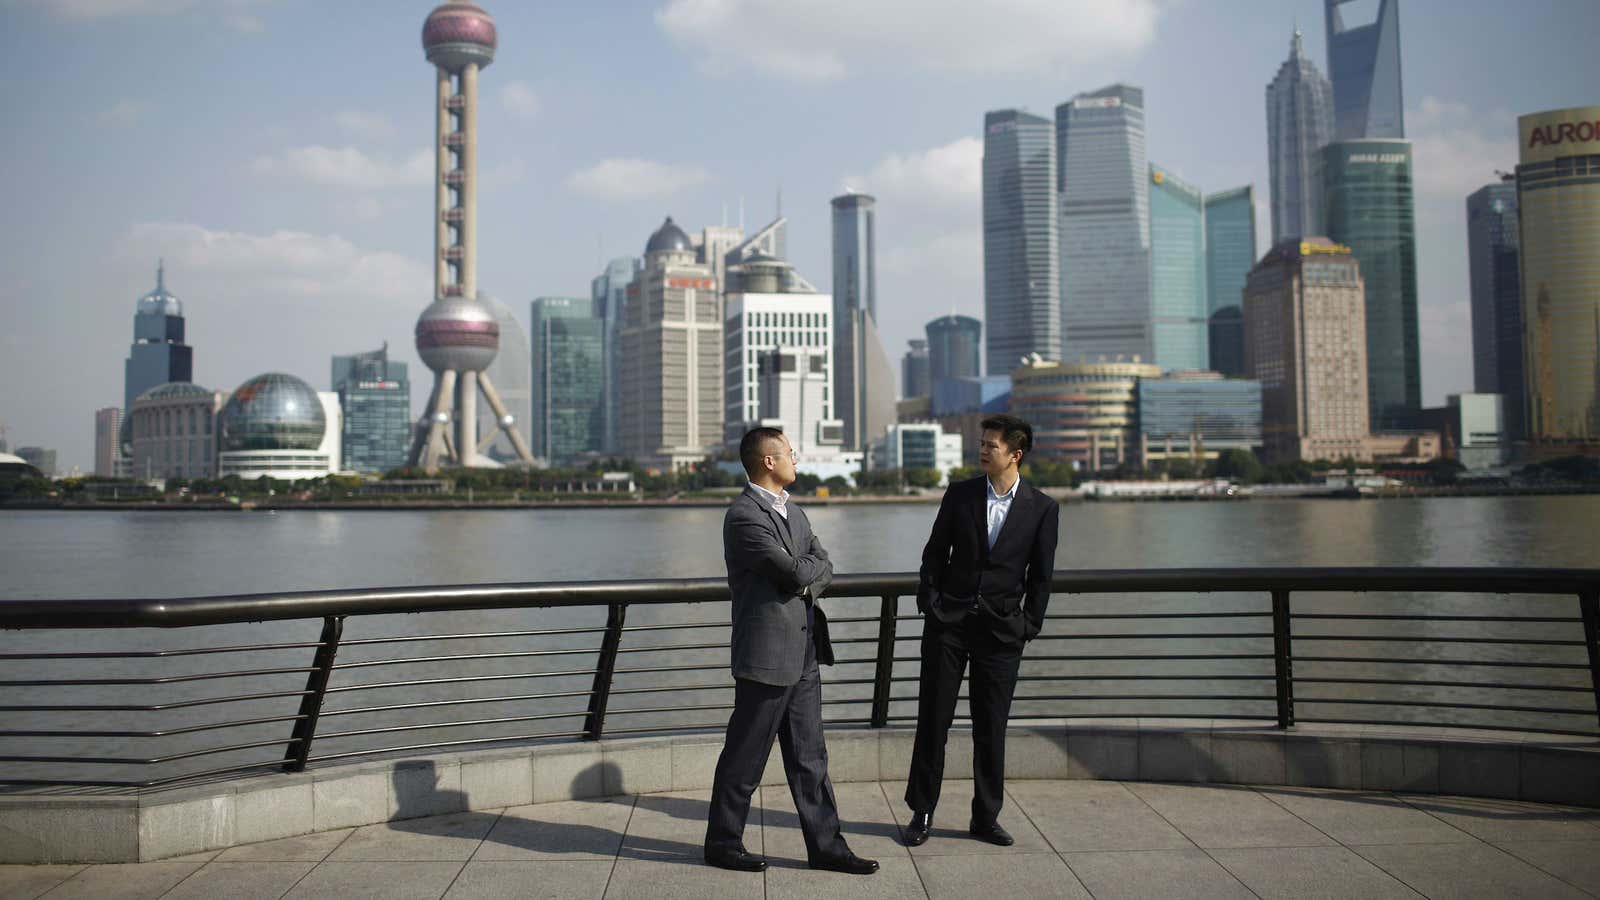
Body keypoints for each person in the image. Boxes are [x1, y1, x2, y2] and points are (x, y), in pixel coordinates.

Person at [704, 427, 879, 876]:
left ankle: (827, 848)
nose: (795, 460)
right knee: (745, 756)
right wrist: (808, 571)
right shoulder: (744, 516)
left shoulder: (793, 511)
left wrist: (808, 571)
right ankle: (723, 843)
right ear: (768, 460)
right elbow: (790, 573)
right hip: (765, 656)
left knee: (810, 758)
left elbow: (822, 564)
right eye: (790, 453)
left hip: (803, 651)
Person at [903, 414, 1060, 847]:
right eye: (983, 443)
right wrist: (930, 604)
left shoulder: (1043, 508)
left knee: (991, 727)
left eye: (992, 445)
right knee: (933, 720)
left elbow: (1041, 577)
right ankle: (922, 811)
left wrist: (1028, 625)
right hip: (948, 626)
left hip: (1002, 632)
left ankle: (985, 818)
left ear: (1016, 453)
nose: (983, 450)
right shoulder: (960, 495)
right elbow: (934, 554)